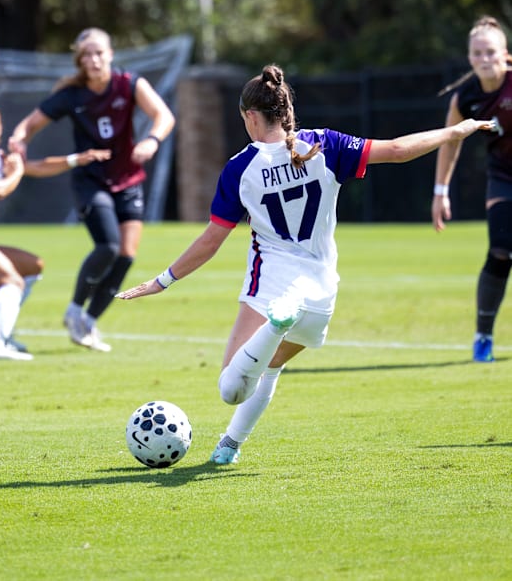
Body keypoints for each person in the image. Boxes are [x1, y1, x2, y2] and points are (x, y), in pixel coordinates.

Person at [116, 63, 493, 464]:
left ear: (250, 116)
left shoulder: (240, 168)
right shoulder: (326, 145)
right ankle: (229, 447)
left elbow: (212, 240)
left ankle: (276, 325)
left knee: (232, 388)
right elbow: (398, 149)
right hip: (321, 293)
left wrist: (163, 280)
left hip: (273, 289)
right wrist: (454, 132)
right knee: (271, 368)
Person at [8, 27, 175, 353]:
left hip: (127, 179)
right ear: (80, 62)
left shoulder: (129, 84)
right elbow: (28, 125)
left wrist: (152, 140)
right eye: (87, 55)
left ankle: (89, 321)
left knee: (126, 255)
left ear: (110, 54)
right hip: (91, 182)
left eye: (99, 52)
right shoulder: (72, 96)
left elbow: (163, 115)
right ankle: (74, 311)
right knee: (109, 246)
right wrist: (18, 141)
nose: (94, 59)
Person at [0, 103, 109, 361]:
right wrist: (16, 172)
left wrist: (76, 160)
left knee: (32, 266)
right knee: (12, 282)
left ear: (1, 129)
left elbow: (37, 167)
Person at [432, 15, 512, 363]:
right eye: (478, 53)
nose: (484, 58)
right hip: (503, 177)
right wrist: (440, 190)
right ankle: (483, 337)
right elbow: (450, 143)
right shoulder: (465, 98)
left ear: (505, 55)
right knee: (500, 250)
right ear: (469, 58)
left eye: (491, 52)